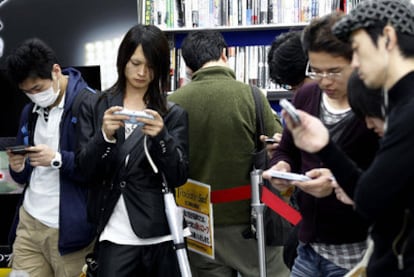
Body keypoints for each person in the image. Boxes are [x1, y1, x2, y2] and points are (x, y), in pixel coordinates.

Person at [276, 1, 414, 275]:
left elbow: (371, 197)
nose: (356, 62)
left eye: (359, 51)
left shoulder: (404, 111)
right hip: (317, 244)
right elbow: (370, 194)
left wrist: (330, 158)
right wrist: (322, 148)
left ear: (388, 38)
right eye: (317, 71)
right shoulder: (399, 106)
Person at [263, 12, 380, 276]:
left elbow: (386, 176)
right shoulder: (306, 94)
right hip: (309, 246)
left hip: (355, 251)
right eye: (315, 71)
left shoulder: (375, 106)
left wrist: (337, 180)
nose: (325, 80)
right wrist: (281, 165)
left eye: (334, 71)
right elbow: (287, 149)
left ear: (356, 60)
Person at [169, 29, 290, 277]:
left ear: (188, 67)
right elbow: (278, 145)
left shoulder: (173, 103)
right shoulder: (251, 96)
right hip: (251, 221)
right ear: (224, 55)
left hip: (198, 225)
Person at [75, 24, 189, 277]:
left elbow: (179, 175)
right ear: (123, 59)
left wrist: (162, 138)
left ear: (160, 69)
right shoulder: (95, 105)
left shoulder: (173, 113)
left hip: (160, 231)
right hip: (112, 232)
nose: (142, 72)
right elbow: (83, 170)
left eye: (150, 66)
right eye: (135, 63)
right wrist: (104, 137)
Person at [5, 38, 96, 276]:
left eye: (37, 89)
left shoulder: (89, 103)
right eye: (26, 92)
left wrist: (56, 158)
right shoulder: (29, 111)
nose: (33, 96)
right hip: (29, 222)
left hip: (70, 233)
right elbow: (24, 174)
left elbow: (95, 169)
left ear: (56, 71)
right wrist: (17, 166)